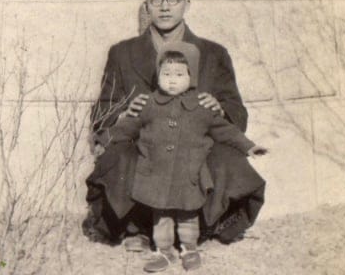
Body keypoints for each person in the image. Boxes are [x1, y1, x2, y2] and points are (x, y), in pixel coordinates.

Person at [86, 0, 265, 250]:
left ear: (186, 4)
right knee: (119, 158)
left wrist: (219, 108)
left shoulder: (214, 53)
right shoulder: (122, 53)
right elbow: (102, 113)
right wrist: (125, 112)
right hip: (145, 144)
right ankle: (137, 229)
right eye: (156, 0)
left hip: (195, 145)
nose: (165, 7)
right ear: (147, 6)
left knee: (227, 161)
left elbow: (237, 112)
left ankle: (205, 227)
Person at [96, 42, 267, 272]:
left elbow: (226, 131)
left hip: (189, 175)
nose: (172, 80)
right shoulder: (148, 104)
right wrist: (103, 139)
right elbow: (127, 128)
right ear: (158, 76)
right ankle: (164, 252)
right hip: (156, 174)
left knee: (188, 217)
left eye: (179, 74)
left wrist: (249, 147)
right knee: (161, 218)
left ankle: (190, 250)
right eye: (166, 74)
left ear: (191, 77)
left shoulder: (202, 108)